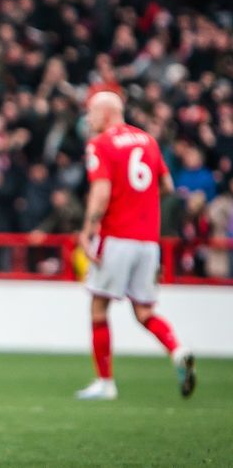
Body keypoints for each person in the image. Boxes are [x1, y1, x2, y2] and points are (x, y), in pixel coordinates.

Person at [75, 91, 196, 400]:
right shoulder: (148, 141)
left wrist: (89, 230)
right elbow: (166, 186)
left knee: (98, 306)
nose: (89, 119)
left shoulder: (99, 145)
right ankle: (177, 350)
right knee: (144, 310)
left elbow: (101, 191)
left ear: (106, 113)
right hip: (147, 242)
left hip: (116, 236)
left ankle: (105, 382)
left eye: (91, 112)